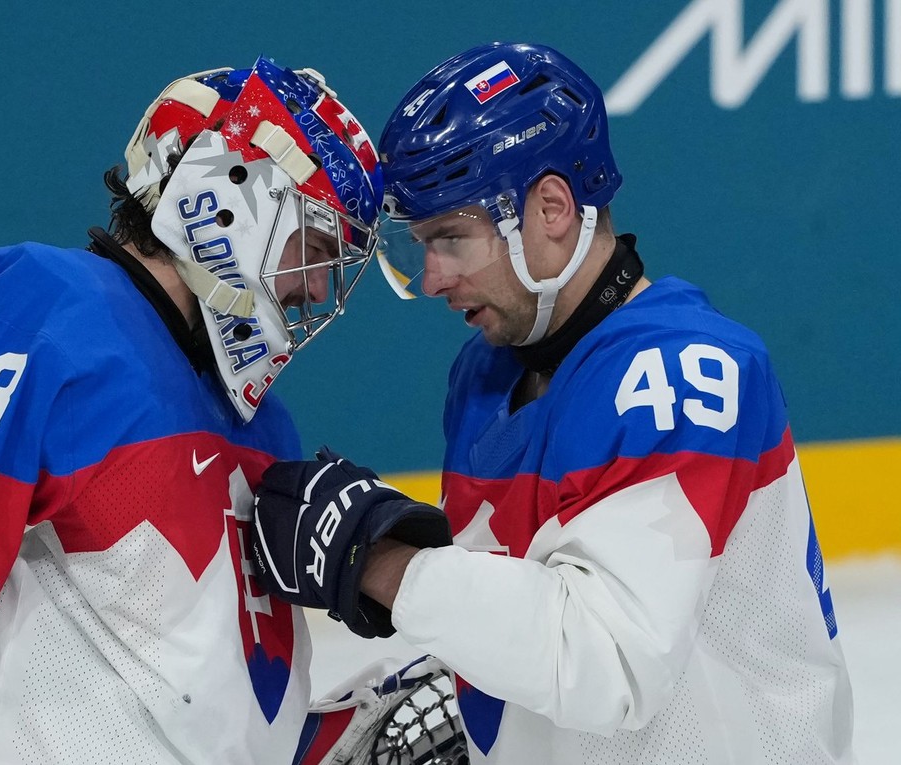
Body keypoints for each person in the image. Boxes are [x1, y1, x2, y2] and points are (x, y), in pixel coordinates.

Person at [0, 56, 385, 765]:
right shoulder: (45, 314)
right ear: (227, 197)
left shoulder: (262, 427)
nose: (321, 285)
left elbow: (190, 711)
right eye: (314, 245)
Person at [249, 42, 855, 764]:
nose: (433, 278)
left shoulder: (685, 372)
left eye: (450, 238)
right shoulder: (484, 374)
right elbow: (536, 608)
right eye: (418, 246)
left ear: (552, 207)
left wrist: (378, 560)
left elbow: (606, 660)